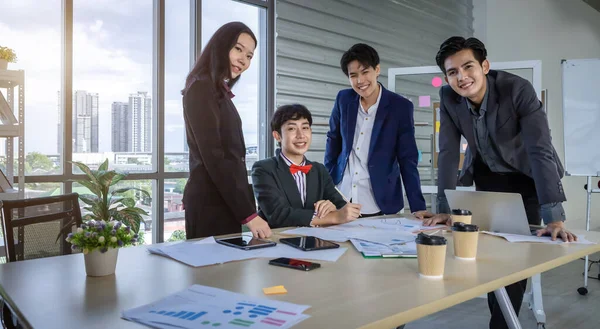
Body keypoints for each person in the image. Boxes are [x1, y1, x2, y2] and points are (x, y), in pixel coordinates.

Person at [424, 36, 576, 329]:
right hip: (488, 175)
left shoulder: (517, 89)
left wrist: (554, 217)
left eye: (468, 67)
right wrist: (444, 207)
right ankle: (501, 316)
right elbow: (447, 152)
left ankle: (502, 324)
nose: (461, 77)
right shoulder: (448, 97)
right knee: (491, 251)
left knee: (518, 256)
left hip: (527, 175)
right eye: (452, 72)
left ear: (485, 65)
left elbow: (539, 149)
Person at [181, 22, 271, 240]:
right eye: (238, 49)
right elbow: (214, 157)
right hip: (210, 203)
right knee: (211, 273)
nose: (244, 60)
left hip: (223, 201)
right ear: (221, 47)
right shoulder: (201, 88)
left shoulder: (217, 91)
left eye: (249, 56)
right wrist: (249, 215)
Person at [324, 43, 432, 219]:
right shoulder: (343, 99)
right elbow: (333, 140)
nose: (360, 81)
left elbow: (407, 158)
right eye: (353, 75)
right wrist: (327, 185)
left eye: (365, 72)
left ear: (377, 70)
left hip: (378, 199)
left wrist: (417, 206)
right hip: (342, 196)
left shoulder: (400, 107)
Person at [251, 104, 362, 228]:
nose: (301, 135)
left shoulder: (319, 170)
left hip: (317, 242)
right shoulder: (263, 169)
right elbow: (278, 215)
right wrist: (334, 216)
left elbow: (340, 205)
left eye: (305, 128)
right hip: (280, 242)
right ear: (277, 136)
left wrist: (332, 207)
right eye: (292, 129)